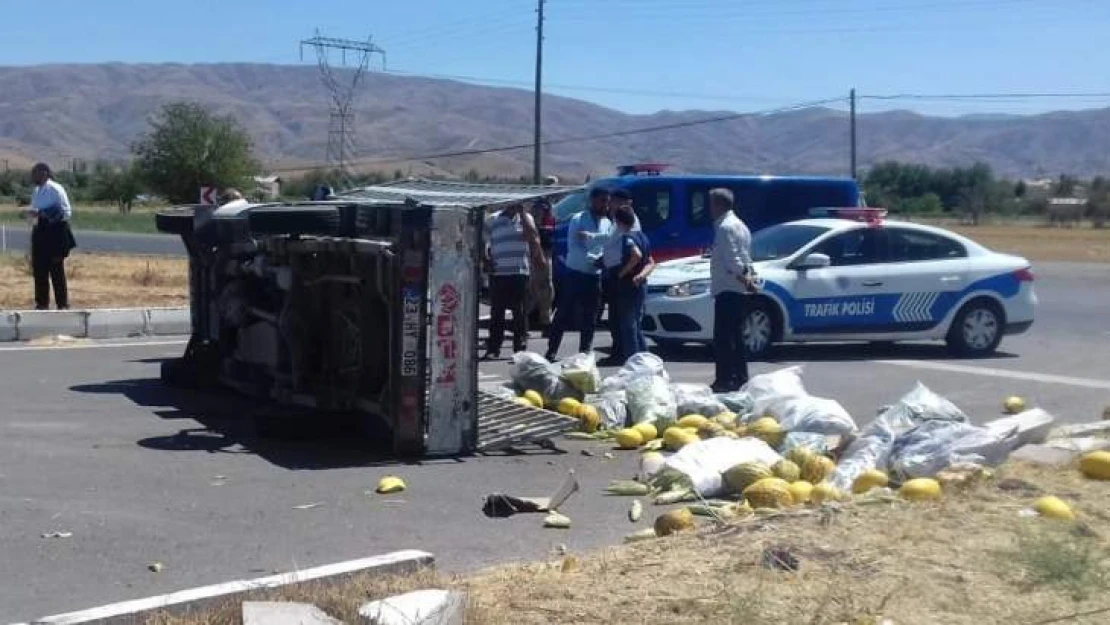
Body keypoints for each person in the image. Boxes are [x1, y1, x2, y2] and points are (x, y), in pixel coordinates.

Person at [546, 187, 612, 361]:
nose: (606, 205)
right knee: (563, 314)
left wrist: (602, 258)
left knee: (590, 317)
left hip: (594, 276)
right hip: (576, 274)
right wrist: (594, 258)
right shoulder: (578, 219)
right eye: (602, 201)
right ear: (593, 201)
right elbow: (576, 246)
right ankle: (551, 351)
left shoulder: (607, 223)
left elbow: (608, 244)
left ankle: (584, 353)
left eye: (607, 201)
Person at [484, 201, 546, 359]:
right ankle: (493, 348)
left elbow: (532, 237)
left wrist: (523, 215)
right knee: (497, 312)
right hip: (498, 272)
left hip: (519, 271)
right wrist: (486, 261)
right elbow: (483, 243)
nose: (514, 205)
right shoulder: (493, 219)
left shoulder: (526, 218)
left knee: (520, 311)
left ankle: (520, 348)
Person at [708, 187, 755, 392]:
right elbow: (745, 257)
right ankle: (740, 376)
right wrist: (749, 277)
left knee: (724, 337)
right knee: (736, 335)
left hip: (728, 288)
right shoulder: (740, 225)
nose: (709, 208)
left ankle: (726, 379)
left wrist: (744, 278)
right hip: (736, 288)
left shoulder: (726, 228)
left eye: (711, 204)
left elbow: (733, 260)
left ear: (718, 205)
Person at [24, 163, 76, 310]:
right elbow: (36, 210)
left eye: (36, 173)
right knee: (39, 269)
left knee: (56, 270)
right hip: (40, 232)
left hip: (55, 232)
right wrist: (31, 214)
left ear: (45, 173)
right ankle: (42, 304)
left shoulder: (55, 189)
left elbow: (65, 212)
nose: (33, 176)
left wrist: (45, 214)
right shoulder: (36, 191)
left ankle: (62, 305)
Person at [600, 188, 641, 364]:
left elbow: (634, 252)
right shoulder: (617, 222)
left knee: (623, 320)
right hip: (613, 271)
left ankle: (625, 355)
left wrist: (620, 273)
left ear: (626, 202)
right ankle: (619, 353)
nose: (610, 205)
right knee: (616, 318)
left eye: (614, 201)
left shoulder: (630, 222)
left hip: (621, 273)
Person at [609, 205, 654, 364]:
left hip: (628, 285)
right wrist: (642, 275)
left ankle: (633, 361)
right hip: (641, 285)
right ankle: (646, 359)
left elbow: (636, 255)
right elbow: (650, 262)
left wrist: (622, 273)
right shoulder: (642, 236)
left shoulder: (627, 238)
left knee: (629, 327)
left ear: (618, 221)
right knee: (636, 324)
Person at [529, 198, 556, 329]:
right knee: (532, 285)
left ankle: (545, 318)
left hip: (546, 252)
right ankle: (530, 314)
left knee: (546, 285)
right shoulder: (532, 218)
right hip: (533, 253)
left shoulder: (551, 217)